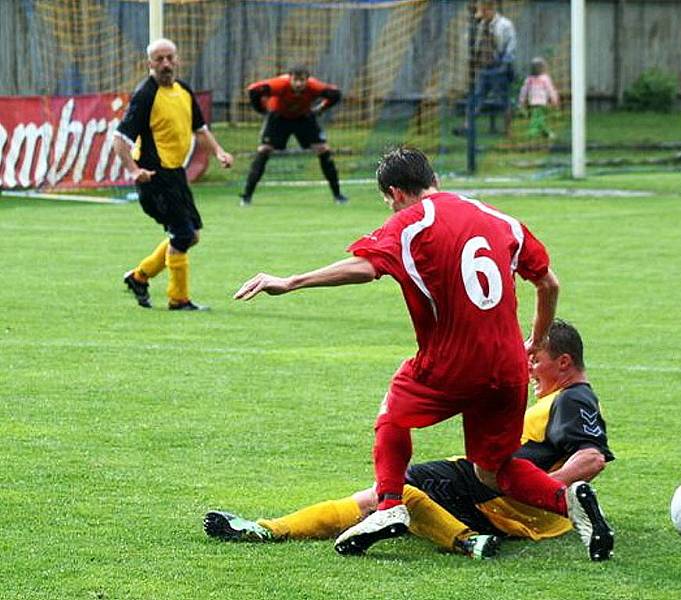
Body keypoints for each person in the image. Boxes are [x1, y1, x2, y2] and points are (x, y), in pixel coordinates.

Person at [233, 147, 614, 561]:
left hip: (452, 359)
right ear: (435, 179)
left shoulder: (412, 221)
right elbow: (549, 284)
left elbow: (365, 267)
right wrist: (536, 341)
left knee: (392, 412)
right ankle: (569, 501)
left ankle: (389, 506)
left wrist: (290, 281)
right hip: (507, 366)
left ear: (395, 193)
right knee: (494, 469)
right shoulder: (501, 220)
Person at [203, 319, 614, 561]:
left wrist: (549, 494)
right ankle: (470, 541)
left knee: (387, 493)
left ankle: (266, 530)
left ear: (563, 362)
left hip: (502, 493)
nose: (527, 369)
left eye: (535, 360)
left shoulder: (573, 397)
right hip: (506, 507)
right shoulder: (564, 398)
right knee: (401, 501)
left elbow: (592, 458)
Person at [113, 38, 233, 311]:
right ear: (149, 64)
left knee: (191, 235)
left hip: (175, 175)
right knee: (182, 236)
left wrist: (219, 152)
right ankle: (178, 299)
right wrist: (134, 171)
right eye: (159, 59)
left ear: (177, 59)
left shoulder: (184, 91)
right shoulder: (145, 95)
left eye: (169, 58)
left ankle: (139, 276)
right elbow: (119, 138)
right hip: (155, 178)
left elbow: (200, 129)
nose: (165, 64)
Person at [239, 65, 346, 206]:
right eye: (295, 80)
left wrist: (321, 108)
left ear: (307, 80)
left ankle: (338, 196)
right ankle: (246, 197)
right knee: (264, 150)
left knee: (323, 149)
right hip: (279, 117)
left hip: (303, 117)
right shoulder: (280, 84)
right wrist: (262, 109)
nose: (298, 84)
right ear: (290, 78)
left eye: (302, 80)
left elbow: (335, 94)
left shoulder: (314, 87)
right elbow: (253, 90)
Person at [457, 0, 517, 135]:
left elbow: (511, 45)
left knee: (504, 99)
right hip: (482, 69)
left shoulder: (504, 25)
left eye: (483, 10)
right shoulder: (478, 25)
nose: (481, 13)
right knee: (476, 97)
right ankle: (467, 127)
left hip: (498, 67)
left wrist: (505, 64)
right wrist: (474, 24)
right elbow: (467, 41)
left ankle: (508, 130)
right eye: (480, 10)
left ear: (491, 9)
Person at [518, 57, 560, 140]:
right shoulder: (529, 79)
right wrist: (522, 101)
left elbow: (550, 89)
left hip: (542, 103)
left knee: (537, 119)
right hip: (533, 103)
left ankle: (534, 133)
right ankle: (545, 133)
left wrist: (554, 99)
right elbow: (524, 90)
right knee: (538, 119)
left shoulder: (545, 78)